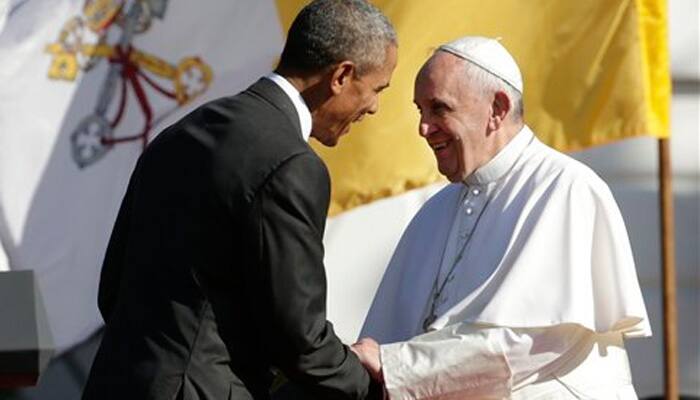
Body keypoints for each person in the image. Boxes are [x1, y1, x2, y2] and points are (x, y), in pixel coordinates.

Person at [82, 1, 397, 399]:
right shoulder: (292, 164)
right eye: (377, 89)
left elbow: (112, 289)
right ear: (342, 76)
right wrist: (377, 386)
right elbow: (298, 337)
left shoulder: (180, 133)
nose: (374, 107)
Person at [353, 36, 650, 399]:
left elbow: (533, 342)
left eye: (439, 109)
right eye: (421, 111)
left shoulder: (565, 188)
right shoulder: (435, 210)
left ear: (497, 107)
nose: (424, 128)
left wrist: (396, 366)